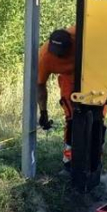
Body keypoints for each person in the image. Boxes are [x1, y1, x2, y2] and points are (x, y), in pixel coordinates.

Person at [37, 27, 77, 166]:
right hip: (68, 79)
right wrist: (43, 112)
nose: (59, 57)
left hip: (91, 73)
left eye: (63, 53)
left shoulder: (79, 33)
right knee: (71, 118)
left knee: (98, 115)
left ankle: (96, 156)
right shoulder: (45, 56)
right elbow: (40, 86)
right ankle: (69, 159)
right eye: (56, 53)